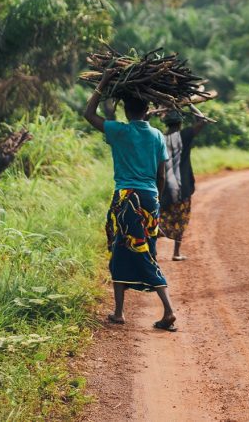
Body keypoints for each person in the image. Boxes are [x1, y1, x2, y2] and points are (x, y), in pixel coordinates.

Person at [83, 71, 178, 332]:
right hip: (149, 199)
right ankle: (118, 312)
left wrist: (102, 84)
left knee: (135, 253)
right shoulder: (158, 135)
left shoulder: (119, 131)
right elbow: (161, 175)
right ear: (147, 109)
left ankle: (168, 310)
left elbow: (88, 114)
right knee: (127, 252)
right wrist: (156, 203)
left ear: (126, 110)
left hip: (127, 199)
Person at [159, 110, 207, 261]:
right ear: (180, 123)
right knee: (181, 218)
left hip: (164, 186)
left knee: (161, 217)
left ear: (166, 124)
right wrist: (191, 106)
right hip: (182, 186)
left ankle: (152, 251)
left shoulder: (160, 138)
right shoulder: (185, 135)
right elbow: (202, 120)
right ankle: (176, 253)